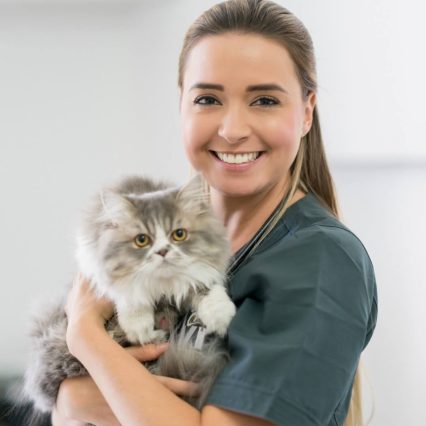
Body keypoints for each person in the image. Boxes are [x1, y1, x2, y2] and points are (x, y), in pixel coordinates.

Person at [52, 0, 378, 425]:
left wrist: (86, 339)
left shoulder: (322, 261)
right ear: (181, 105)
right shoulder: (152, 235)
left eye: (264, 100)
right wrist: (67, 403)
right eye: (208, 98)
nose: (232, 130)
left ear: (306, 112)